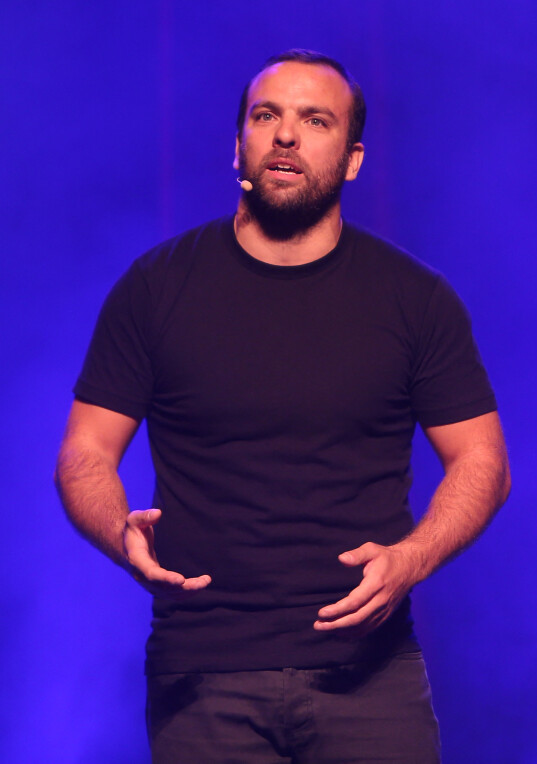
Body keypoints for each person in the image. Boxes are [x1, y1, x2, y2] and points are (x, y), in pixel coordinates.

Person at [55, 49, 510, 763]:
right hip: (202, 676)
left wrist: (413, 558)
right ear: (238, 144)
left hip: (372, 680)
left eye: (315, 119)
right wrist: (120, 534)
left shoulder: (414, 299)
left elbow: (483, 462)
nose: (287, 136)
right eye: (266, 116)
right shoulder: (155, 288)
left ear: (353, 158)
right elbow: (84, 453)